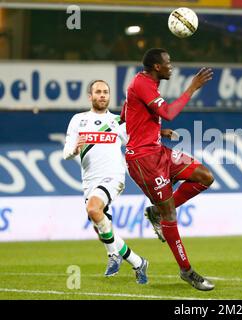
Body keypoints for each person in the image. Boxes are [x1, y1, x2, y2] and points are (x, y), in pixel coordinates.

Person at [121, 48, 215, 291]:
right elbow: (170, 113)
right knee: (170, 215)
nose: (171, 66)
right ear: (156, 67)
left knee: (205, 176)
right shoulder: (141, 83)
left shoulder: (147, 85)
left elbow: (126, 113)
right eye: (168, 63)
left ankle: (156, 212)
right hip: (145, 161)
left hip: (159, 151)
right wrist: (192, 87)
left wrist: (154, 131)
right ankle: (187, 271)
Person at [63, 80, 148, 284]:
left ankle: (113, 256)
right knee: (103, 230)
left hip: (113, 176)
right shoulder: (78, 120)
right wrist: (74, 149)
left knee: (93, 209)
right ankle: (138, 262)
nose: (102, 95)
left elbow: (140, 141)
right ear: (90, 96)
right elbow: (66, 152)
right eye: (98, 92)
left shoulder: (119, 122)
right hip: (89, 181)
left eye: (106, 92)